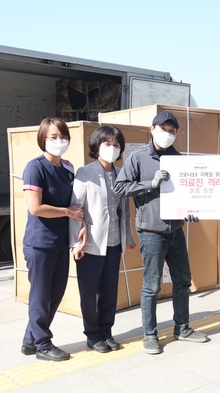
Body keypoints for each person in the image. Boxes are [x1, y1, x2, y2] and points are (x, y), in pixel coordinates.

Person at [114, 110, 208, 354]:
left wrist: (190, 209)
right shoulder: (138, 157)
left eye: (171, 131)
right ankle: (150, 334)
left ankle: (182, 327)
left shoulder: (179, 159)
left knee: (183, 280)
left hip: (175, 229)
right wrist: (150, 184)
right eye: (163, 129)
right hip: (151, 231)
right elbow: (120, 187)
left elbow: (187, 192)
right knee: (151, 285)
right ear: (152, 130)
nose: (167, 134)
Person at [21, 117, 84, 362]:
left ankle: (30, 340)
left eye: (63, 137)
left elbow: (75, 201)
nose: (59, 141)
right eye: (53, 137)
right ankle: (43, 344)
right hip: (40, 243)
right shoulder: (35, 167)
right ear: (43, 139)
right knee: (41, 296)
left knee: (56, 293)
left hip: (60, 241)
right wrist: (68, 212)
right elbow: (35, 208)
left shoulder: (67, 168)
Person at [69, 125, 135, 353]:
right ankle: (92, 334)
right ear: (97, 146)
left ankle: (106, 331)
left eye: (116, 145)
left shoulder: (121, 173)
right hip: (91, 244)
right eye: (107, 144)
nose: (112, 148)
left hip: (114, 242)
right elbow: (75, 209)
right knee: (89, 292)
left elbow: (124, 210)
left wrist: (128, 235)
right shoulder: (85, 172)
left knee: (109, 291)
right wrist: (76, 243)